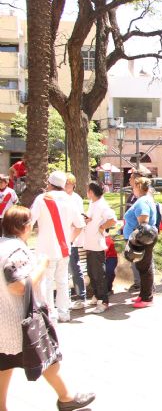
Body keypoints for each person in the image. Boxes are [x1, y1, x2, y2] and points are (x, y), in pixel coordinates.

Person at [0, 206, 96, 411]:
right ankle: (66, 397)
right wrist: (41, 266)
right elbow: (17, 285)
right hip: (22, 320)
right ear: (24, 227)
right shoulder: (15, 251)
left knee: (4, 364)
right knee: (47, 355)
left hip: (4, 322)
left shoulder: (3, 245)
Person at [29, 171, 85, 322]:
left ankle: (50, 314)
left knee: (46, 282)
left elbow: (29, 221)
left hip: (45, 249)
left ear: (49, 184)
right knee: (63, 281)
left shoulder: (42, 199)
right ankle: (64, 312)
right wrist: (70, 240)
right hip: (64, 248)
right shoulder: (70, 200)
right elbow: (80, 225)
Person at [123, 177, 158, 308]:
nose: (133, 189)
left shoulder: (143, 202)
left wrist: (136, 238)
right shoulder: (145, 200)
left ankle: (147, 298)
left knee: (145, 268)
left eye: (133, 187)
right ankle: (143, 295)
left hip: (142, 239)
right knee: (142, 267)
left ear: (138, 187)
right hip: (140, 238)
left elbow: (144, 222)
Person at [82, 182, 117, 313]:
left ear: (91, 191)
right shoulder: (93, 203)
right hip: (89, 243)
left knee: (98, 274)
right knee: (92, 272)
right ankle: (97, 295)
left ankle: (104, 300)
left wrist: (102, 227)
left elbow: (112, 219)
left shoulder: (102, 205)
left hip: (97, 244)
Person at [63, 174, 88, 310]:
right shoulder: (61, 197)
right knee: (65, 270)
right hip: (63, 238)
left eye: (69, 183)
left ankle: (81, 297)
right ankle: (65, 298)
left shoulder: (76, 199)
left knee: (74, 267)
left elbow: (79, 218)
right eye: (65, 183)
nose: (67, 186)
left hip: (72, 238)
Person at [104, 231, 118, 295]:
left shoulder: (107, 239)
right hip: (108, 258)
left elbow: (105, 251)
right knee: (109, 273)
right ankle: (108, 289)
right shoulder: (105, 238)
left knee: (109, 273)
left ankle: (108, 289)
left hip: (111, 258)